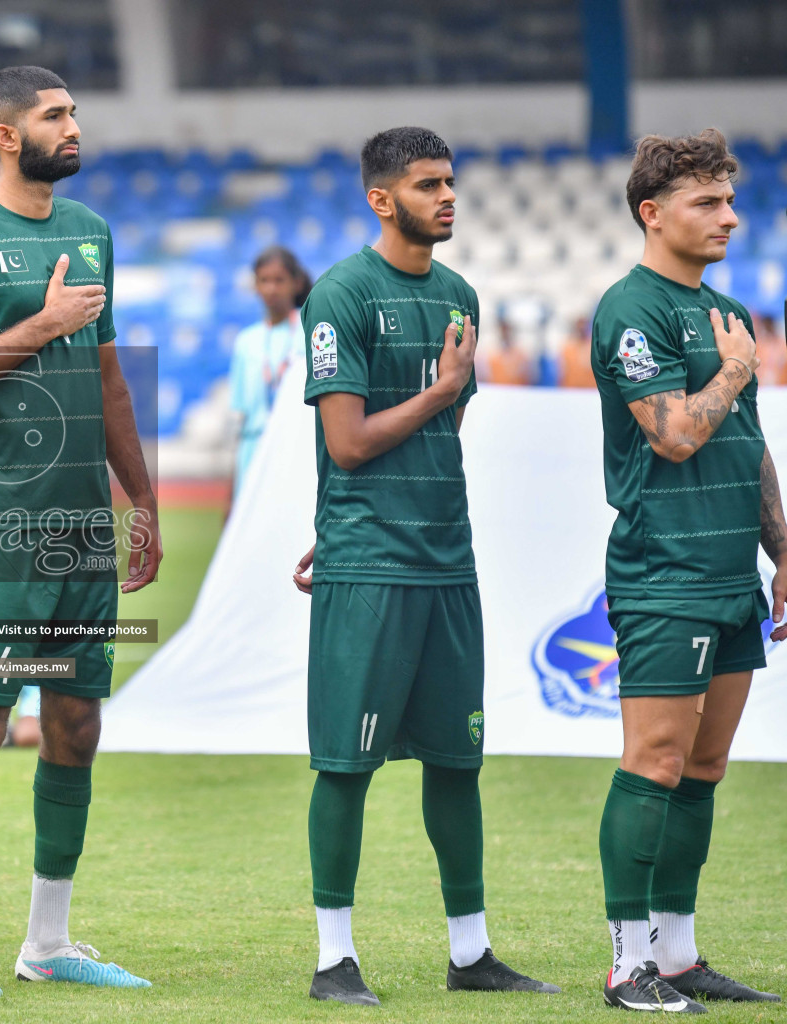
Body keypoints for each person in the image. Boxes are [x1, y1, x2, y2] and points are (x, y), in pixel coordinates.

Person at [0, 65, 161, 998]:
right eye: (56, 115)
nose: (74, 125)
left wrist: (142, 499)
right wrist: (41, 319)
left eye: (75, 111)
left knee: (75, 722)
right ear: (7, 135)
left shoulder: (91, 233)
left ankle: (46, 945)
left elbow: (108, 379)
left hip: (80, 529)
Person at [291, 127, 558, 1006]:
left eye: (451, 181)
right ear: (381, 198)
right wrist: (436, 395)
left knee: (457, 761)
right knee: (346, 765)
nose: (447, 196)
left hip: (448, 560)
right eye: (428, 184)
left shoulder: (458, 295)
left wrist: (438, 409)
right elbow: (347, 441)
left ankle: (471, 954)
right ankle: (335, 961)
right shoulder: (340, 295)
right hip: (371, 568)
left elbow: (439, 434)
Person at [589, 128, 783, 1012]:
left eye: (730, 201)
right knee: (655, 761)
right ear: (652, 212)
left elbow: (746, 446)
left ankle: (678, 954)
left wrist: (782, 547)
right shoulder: (630, 310)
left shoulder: (733, 314)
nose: (729, 218)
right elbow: (673, 435)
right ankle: (626, 963)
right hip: (664, 576)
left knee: (705, 768)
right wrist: (736, 375)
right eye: (708, 202)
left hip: (729, 575)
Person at [228, 246, 310, 499]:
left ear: (295, 283)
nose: (271, 289)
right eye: (264, 281)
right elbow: (241, 419)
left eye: (279, 280)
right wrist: (231, 494)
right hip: (254, 448)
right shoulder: (246, 341)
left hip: (294, 449)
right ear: (255, 285)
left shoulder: (309, 331)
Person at [488, 319, 536, 385]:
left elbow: (528, 377)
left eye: (507, 331)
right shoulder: (494, 356)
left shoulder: (521, 355)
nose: (505, 334)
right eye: (503, 331)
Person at [559, 317, 596, 387]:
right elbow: (562, 373)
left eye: (584, 326)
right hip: (572, 390)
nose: (581, 329)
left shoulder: (594, 347)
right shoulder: (568, 348)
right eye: (579, 327)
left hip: (591, 392)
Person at [753, 313, 785, 385]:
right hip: (761, 385)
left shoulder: (781, 343)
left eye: (768, 327)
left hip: (780, 385)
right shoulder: (758, 344)